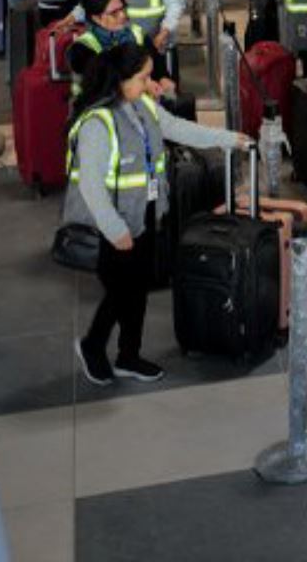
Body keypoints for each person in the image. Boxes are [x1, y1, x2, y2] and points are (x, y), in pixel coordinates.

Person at [65, 42, 249, 386]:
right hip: (116, 224)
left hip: (145, 216)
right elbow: (91, 185)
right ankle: (93, 345)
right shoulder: (98, 124)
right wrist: (114, 228)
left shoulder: (142, 107)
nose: (152, 84)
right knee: (122, 290)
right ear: (120, 80)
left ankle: (128, 354)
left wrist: (227, 139)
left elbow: (179, 128)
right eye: (144, 77)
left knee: (135, 290)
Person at [66, 0, 174, 95]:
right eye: (114, 13)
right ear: (97, 18)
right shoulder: (81, 48)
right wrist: (145, 85)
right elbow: (106, 83)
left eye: (123, 9)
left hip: (139, 106)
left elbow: (158, 68)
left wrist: (164, 79)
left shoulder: (138, 35)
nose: (122, 15)